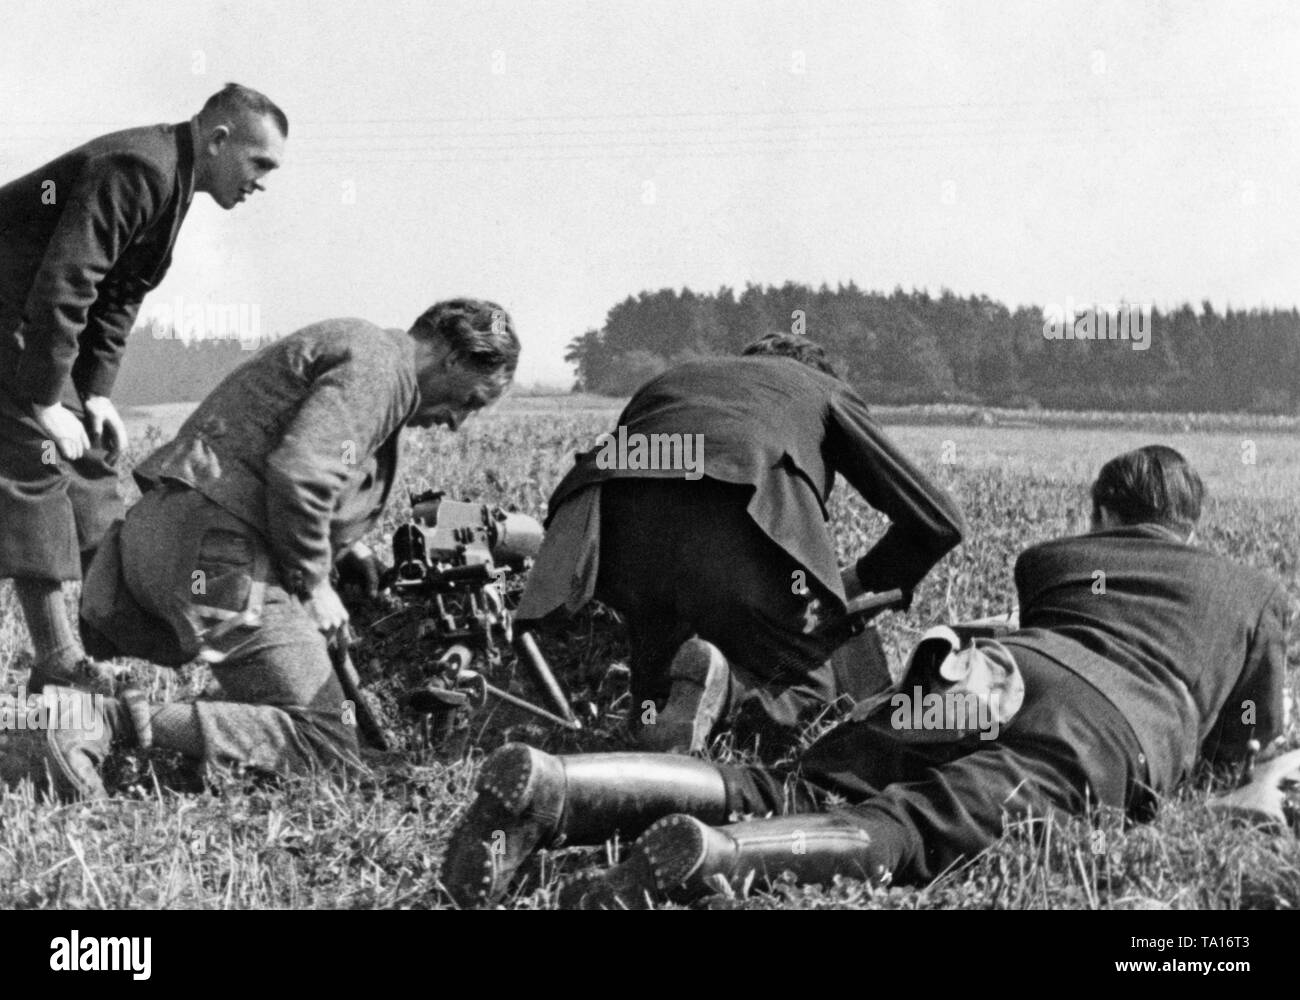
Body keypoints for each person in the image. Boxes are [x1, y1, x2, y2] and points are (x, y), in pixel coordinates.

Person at [441, 445, 1292, 908]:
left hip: (991, 674)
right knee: (917, 829)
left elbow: (1057, 632)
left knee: (784, 780)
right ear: (1192, 522)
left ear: (1104, 512)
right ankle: (711, 863)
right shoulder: (1255, 592)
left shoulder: (1055, 558)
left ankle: (561, 788)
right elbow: (1246, 738)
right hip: (1102, 730)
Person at [34, 299, 519, 799]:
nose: (459, 422)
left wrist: (343, 548)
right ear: (456, 358)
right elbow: (302, 471)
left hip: (167, 539)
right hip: (215, 555)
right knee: (325, 745)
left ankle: (115, 734)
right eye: (471, 401)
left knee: (301, 719)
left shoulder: (365, 349)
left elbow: (286, 457)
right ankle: (102, 720)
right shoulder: (381, 367)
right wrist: (312, 582)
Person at [516, 334, 964, 757]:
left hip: (610, 538)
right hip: (732, 512)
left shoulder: (673, 379)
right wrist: (863, 578)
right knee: (815, 687)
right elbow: (938, 520)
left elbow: (644, 481)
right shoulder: (820, 387)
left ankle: (653, 730)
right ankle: (727, 694)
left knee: (661, 685)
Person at [0, 83, 288, 695]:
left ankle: (102, 647)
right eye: (259, 163)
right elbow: (68, 279)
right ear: (218, 141)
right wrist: (47, 401)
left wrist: (97, 393)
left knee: (93, 462)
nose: (263, 181)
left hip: (28, 318)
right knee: (38, 459)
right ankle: (56, 657)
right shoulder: (140, 167)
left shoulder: (174, 182)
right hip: (14, 317)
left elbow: (120, 294)